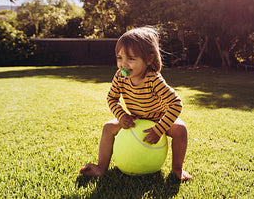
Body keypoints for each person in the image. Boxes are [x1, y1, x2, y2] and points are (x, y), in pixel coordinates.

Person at [80, 27, 192, 181]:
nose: (123, 64)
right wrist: (121, 115)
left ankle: (177, 168)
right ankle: (101, 167)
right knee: (108, 128)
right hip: (135, 118)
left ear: (149, 59)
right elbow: (112, 98)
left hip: (157, 118)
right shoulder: (120, 76)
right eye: (119, 57)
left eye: (131, 59)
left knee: (181, 130)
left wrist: (159, 129)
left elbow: (176, 103)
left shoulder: (153, 79)